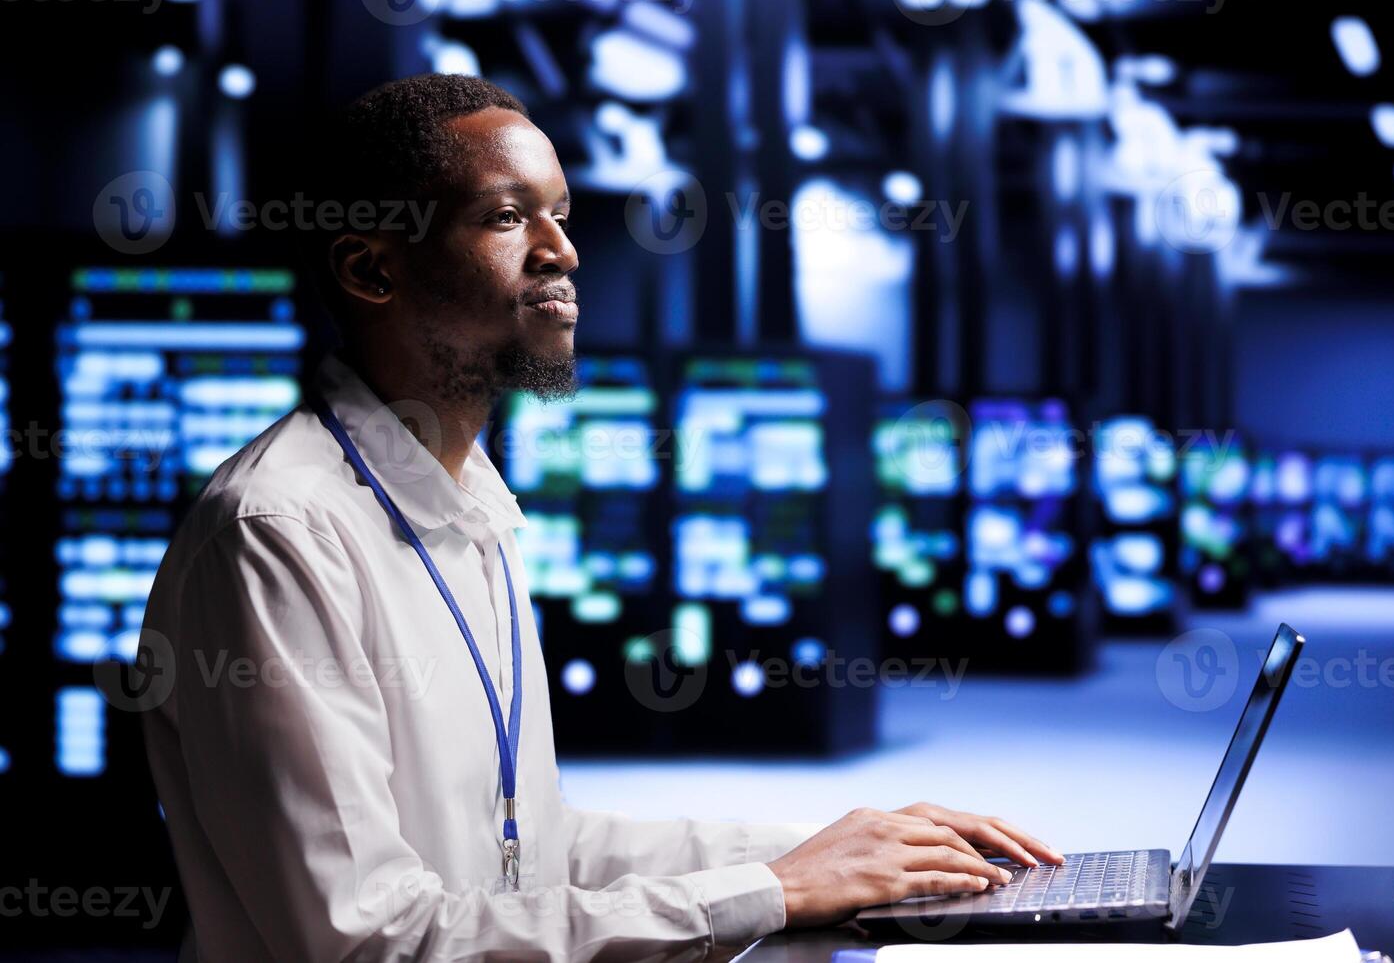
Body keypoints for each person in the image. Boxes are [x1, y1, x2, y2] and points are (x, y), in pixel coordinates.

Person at [138, 73, 1063, 962]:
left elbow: (532, 853)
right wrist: (773, 890)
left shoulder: (472, 508)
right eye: (507, 218)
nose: (563, 250)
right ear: (371, 268)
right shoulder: (280, 532)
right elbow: (371, 941)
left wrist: (833, 849)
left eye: (561, 215)